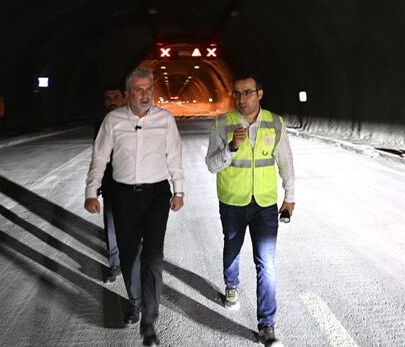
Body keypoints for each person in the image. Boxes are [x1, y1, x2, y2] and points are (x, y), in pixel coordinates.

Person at [84, 67, 184, 347]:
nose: (146, 94)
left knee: (152, 258)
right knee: (129, 257)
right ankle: (135, 302)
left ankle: (149, 322)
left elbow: (174, 156)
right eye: (139, 89)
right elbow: (100, 157)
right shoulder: (113, 120)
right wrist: (91, 191)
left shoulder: (165, 120)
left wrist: (179, 190)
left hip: (156, 196)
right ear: (128, 94)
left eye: (149, 88)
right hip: (124, 195)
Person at [205, 72, 295, 346]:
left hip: (265, 204)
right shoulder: (222, 124)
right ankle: (231, 286)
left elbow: (286, 162)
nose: (241, 99)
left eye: (247, 93)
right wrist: (232, 147)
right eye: (237, 93)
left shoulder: (275, 123)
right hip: (233, 202)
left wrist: (289, 197)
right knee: (232, 248)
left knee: (266, 264)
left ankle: (267, 325)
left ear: (260, 94)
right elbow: (211, 165)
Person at [96, 85, 127, 283]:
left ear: (125, 98)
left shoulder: (135, 121)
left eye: (116, 96)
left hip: (134, 182)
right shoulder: (100, 125)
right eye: (108, 98)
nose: (112, 101)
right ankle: (115, 264)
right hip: (111, 184)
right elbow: (98, 156)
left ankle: (137, 258)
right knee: (112, 225)